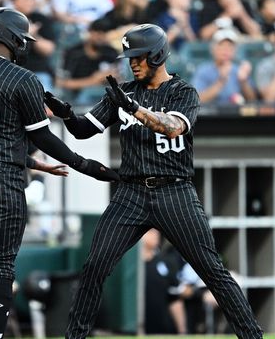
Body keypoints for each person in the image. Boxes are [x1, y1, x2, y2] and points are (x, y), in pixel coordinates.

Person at [44, 23, 263, 339]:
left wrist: (135, 109)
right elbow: (82, 129)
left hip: (175, 189)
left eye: (139, 57)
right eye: (130, 58)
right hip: (131, 191)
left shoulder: (182, 91)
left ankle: (252, 336)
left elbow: (173, 127)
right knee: (94, 267)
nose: (132, 64)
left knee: (212, 271)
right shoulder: (124, 92)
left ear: (158, 55)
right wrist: (65, 114)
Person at [0, 7, 119, 339]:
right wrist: (85, 165)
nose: (25, 45)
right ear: (11, 37)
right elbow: (42, 136)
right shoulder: (23, 78)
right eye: (22, 39)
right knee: (0, 265)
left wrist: (32, 163)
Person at [191, 29, 256, 104]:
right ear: (213, 49)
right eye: (221, 45)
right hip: (211, 115)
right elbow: (196, 100)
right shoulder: (203, 70)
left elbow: (253, 101)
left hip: (235, 114)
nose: (226, 50)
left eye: (230, 46)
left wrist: (243, 82)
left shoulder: (239, 70)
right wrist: (221, 82)